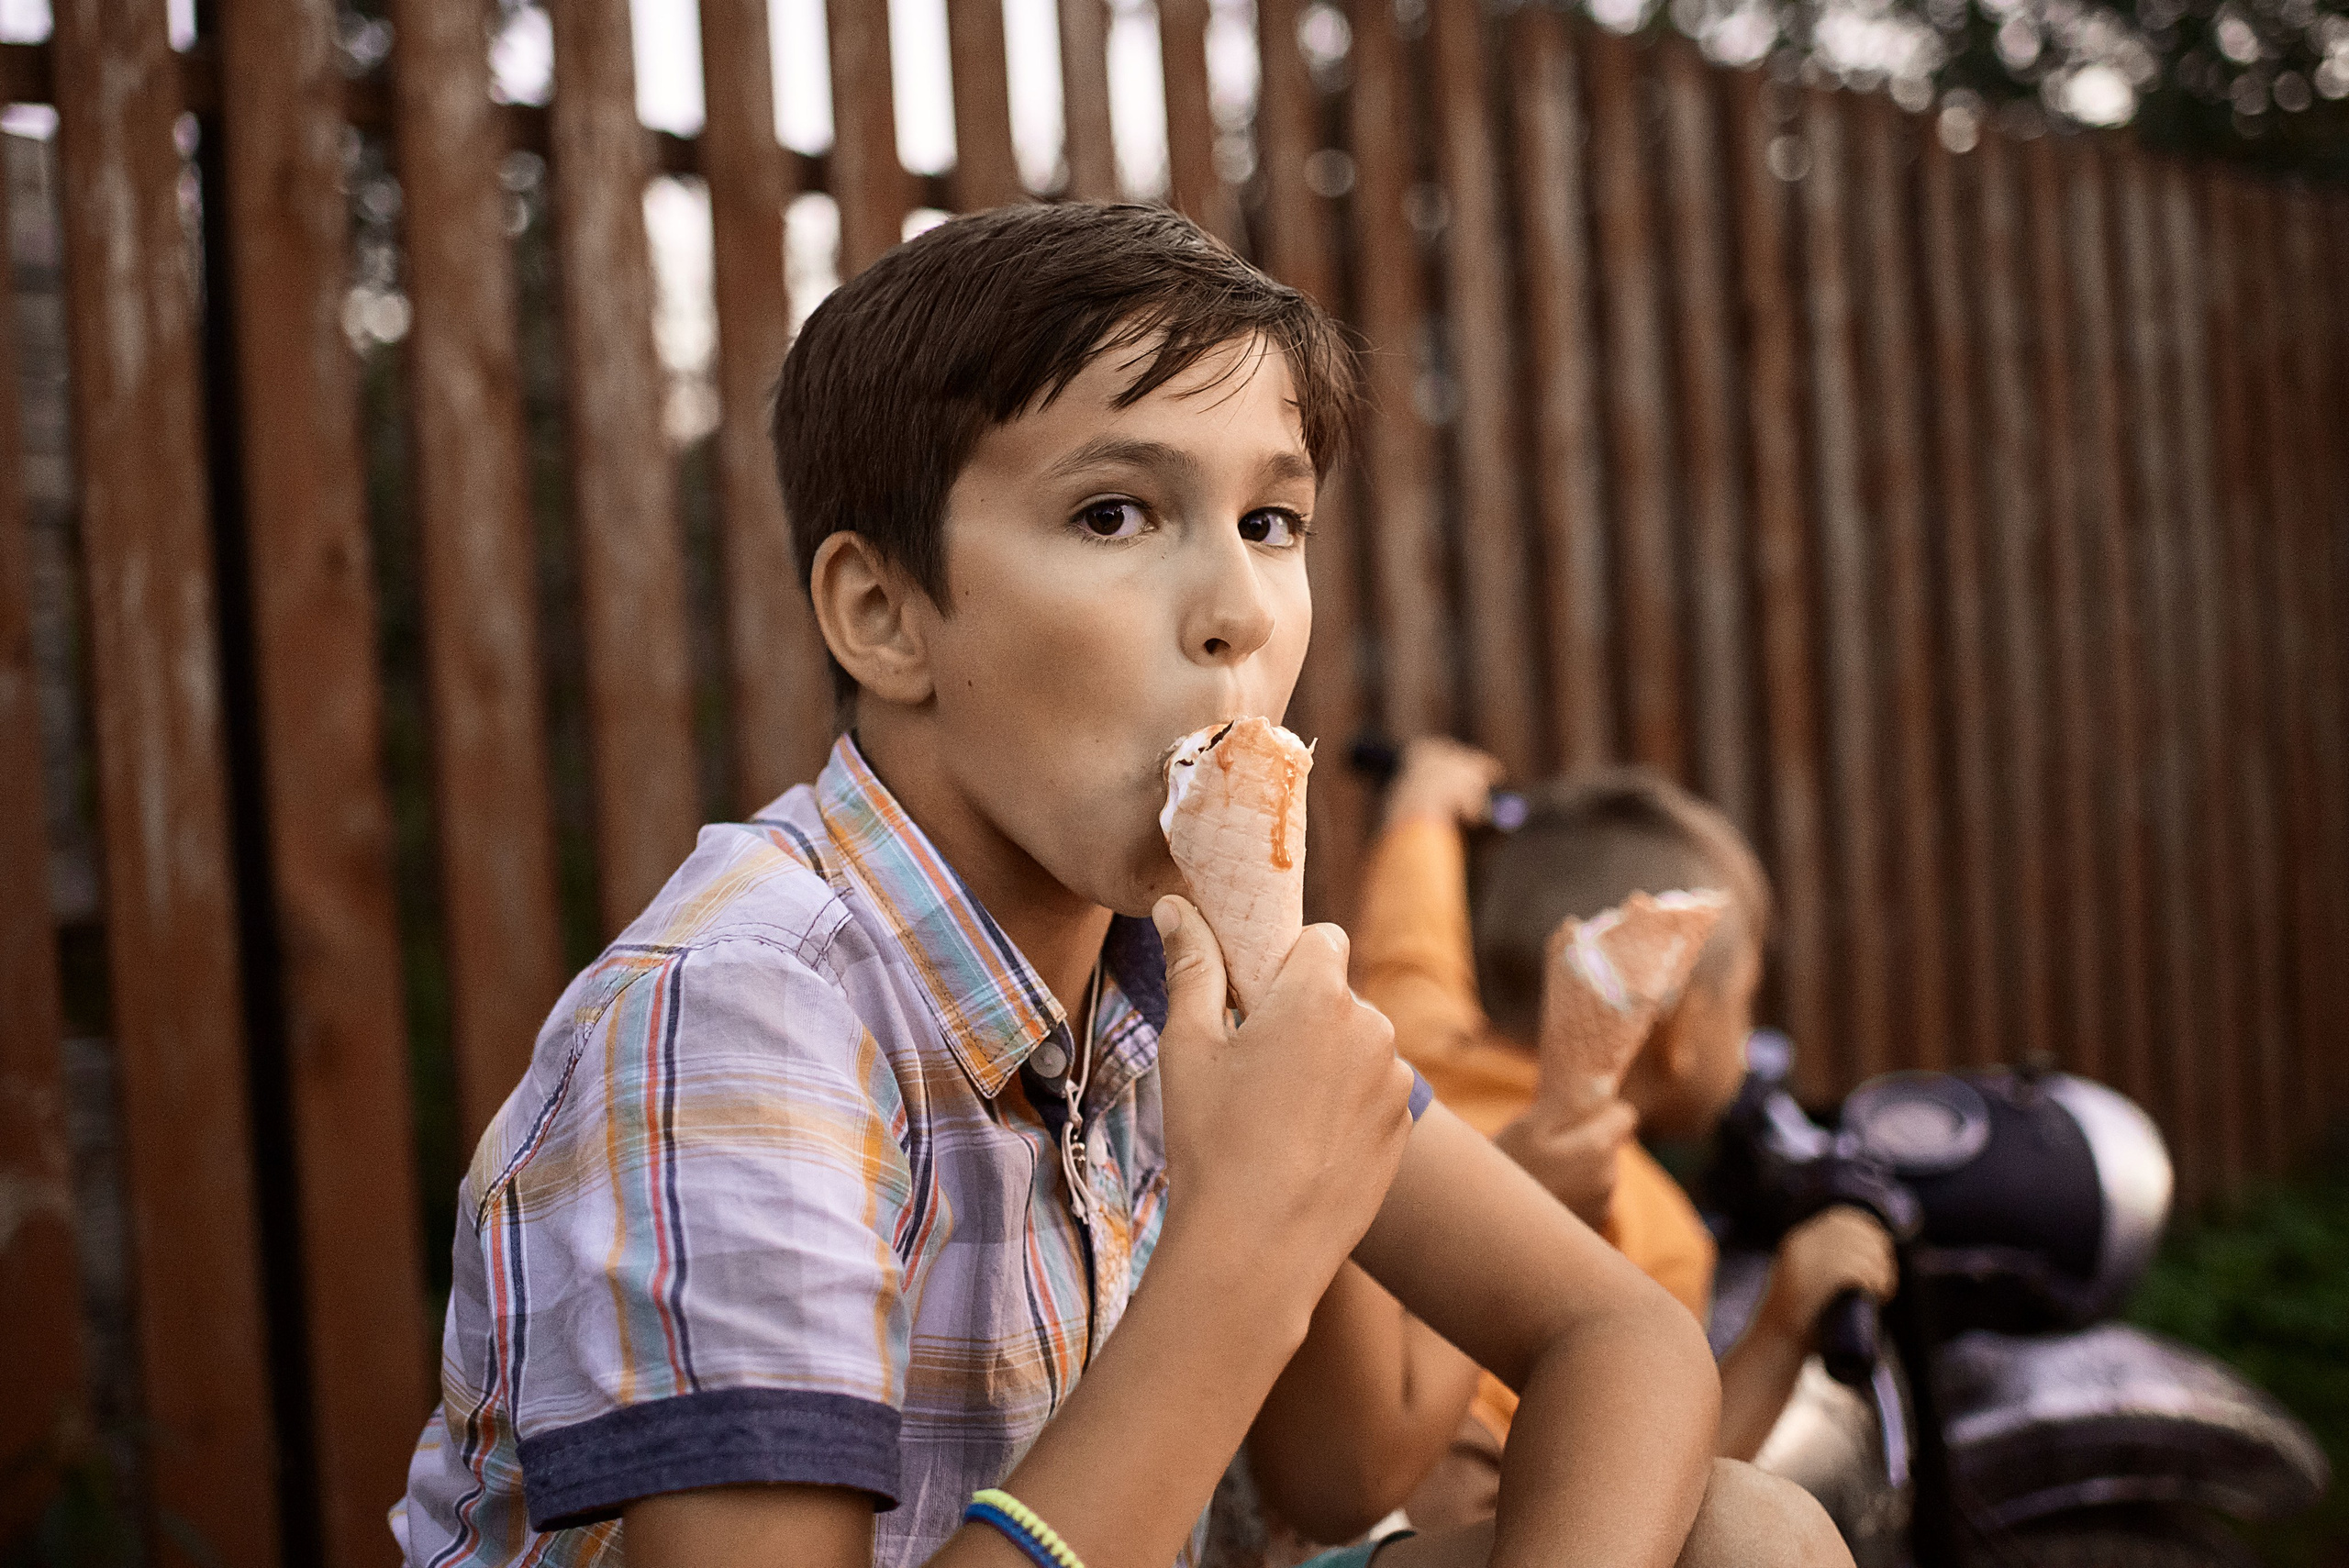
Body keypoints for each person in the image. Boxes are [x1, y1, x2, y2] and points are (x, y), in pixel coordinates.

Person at [391, 202, 1848, 1568]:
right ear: (883, 616)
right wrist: (1248, 1240)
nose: (1237, 614)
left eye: (1272, 523)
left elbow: (1616, 1339)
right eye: (1114, 516)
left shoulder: (1175, 974)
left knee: (1745, 1535)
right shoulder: (741, 1014)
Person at [1348, 738, 1897, 1528]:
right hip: (1472, 1524)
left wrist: (1424, 803)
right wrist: (1782, 1327)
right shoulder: (1652, 1225)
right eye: (1744, 1002)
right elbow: (1659, 1496)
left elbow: (1410, 918)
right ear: (1682, 1032)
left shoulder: (1411, 1028)